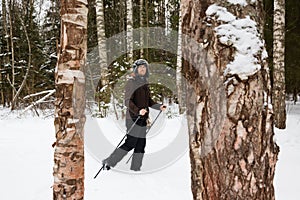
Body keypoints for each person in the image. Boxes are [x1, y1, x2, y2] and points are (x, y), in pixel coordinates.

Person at [102, 59, 166, 171]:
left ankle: (136, 169)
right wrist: (138, 110)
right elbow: (127, 101)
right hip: (133, 118)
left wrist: (159, 106)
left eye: (144, 67)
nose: (142, 69)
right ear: (136, 69)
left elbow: (149, 101)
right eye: (140, 67)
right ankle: (109, 161)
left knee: (141, 145)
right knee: (130, 143)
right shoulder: (131, 83)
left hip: (142, 119)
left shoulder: (144, 83)